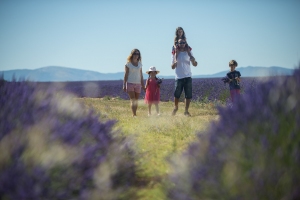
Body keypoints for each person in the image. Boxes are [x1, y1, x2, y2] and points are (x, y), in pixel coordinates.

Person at [171, 38, 198, 116]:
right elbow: (172, 67)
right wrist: (174, 64)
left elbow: (195, 64)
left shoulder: (188, 52)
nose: (182, 44)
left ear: (185, 43)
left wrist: (194, 61)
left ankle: (186, 111)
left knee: (188, 95)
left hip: (188, 76)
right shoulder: (175, 53)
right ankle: (175, 107)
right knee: (177, 94)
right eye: (180, 43)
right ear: (177, 44)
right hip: (179, 77)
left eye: (183, 42)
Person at [123, 49, 145, 117]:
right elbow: (126, 75)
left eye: (138, 54)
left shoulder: (140, 64)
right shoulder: (128, 64)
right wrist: (124, 84)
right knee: (133, 100)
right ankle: (134, 115)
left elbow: (141, 75)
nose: (136, 55)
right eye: (135, 54)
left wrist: (143, 85)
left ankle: (134, 113)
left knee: (136, 100)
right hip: (130, 83)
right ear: (132, 54)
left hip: (138, 84)